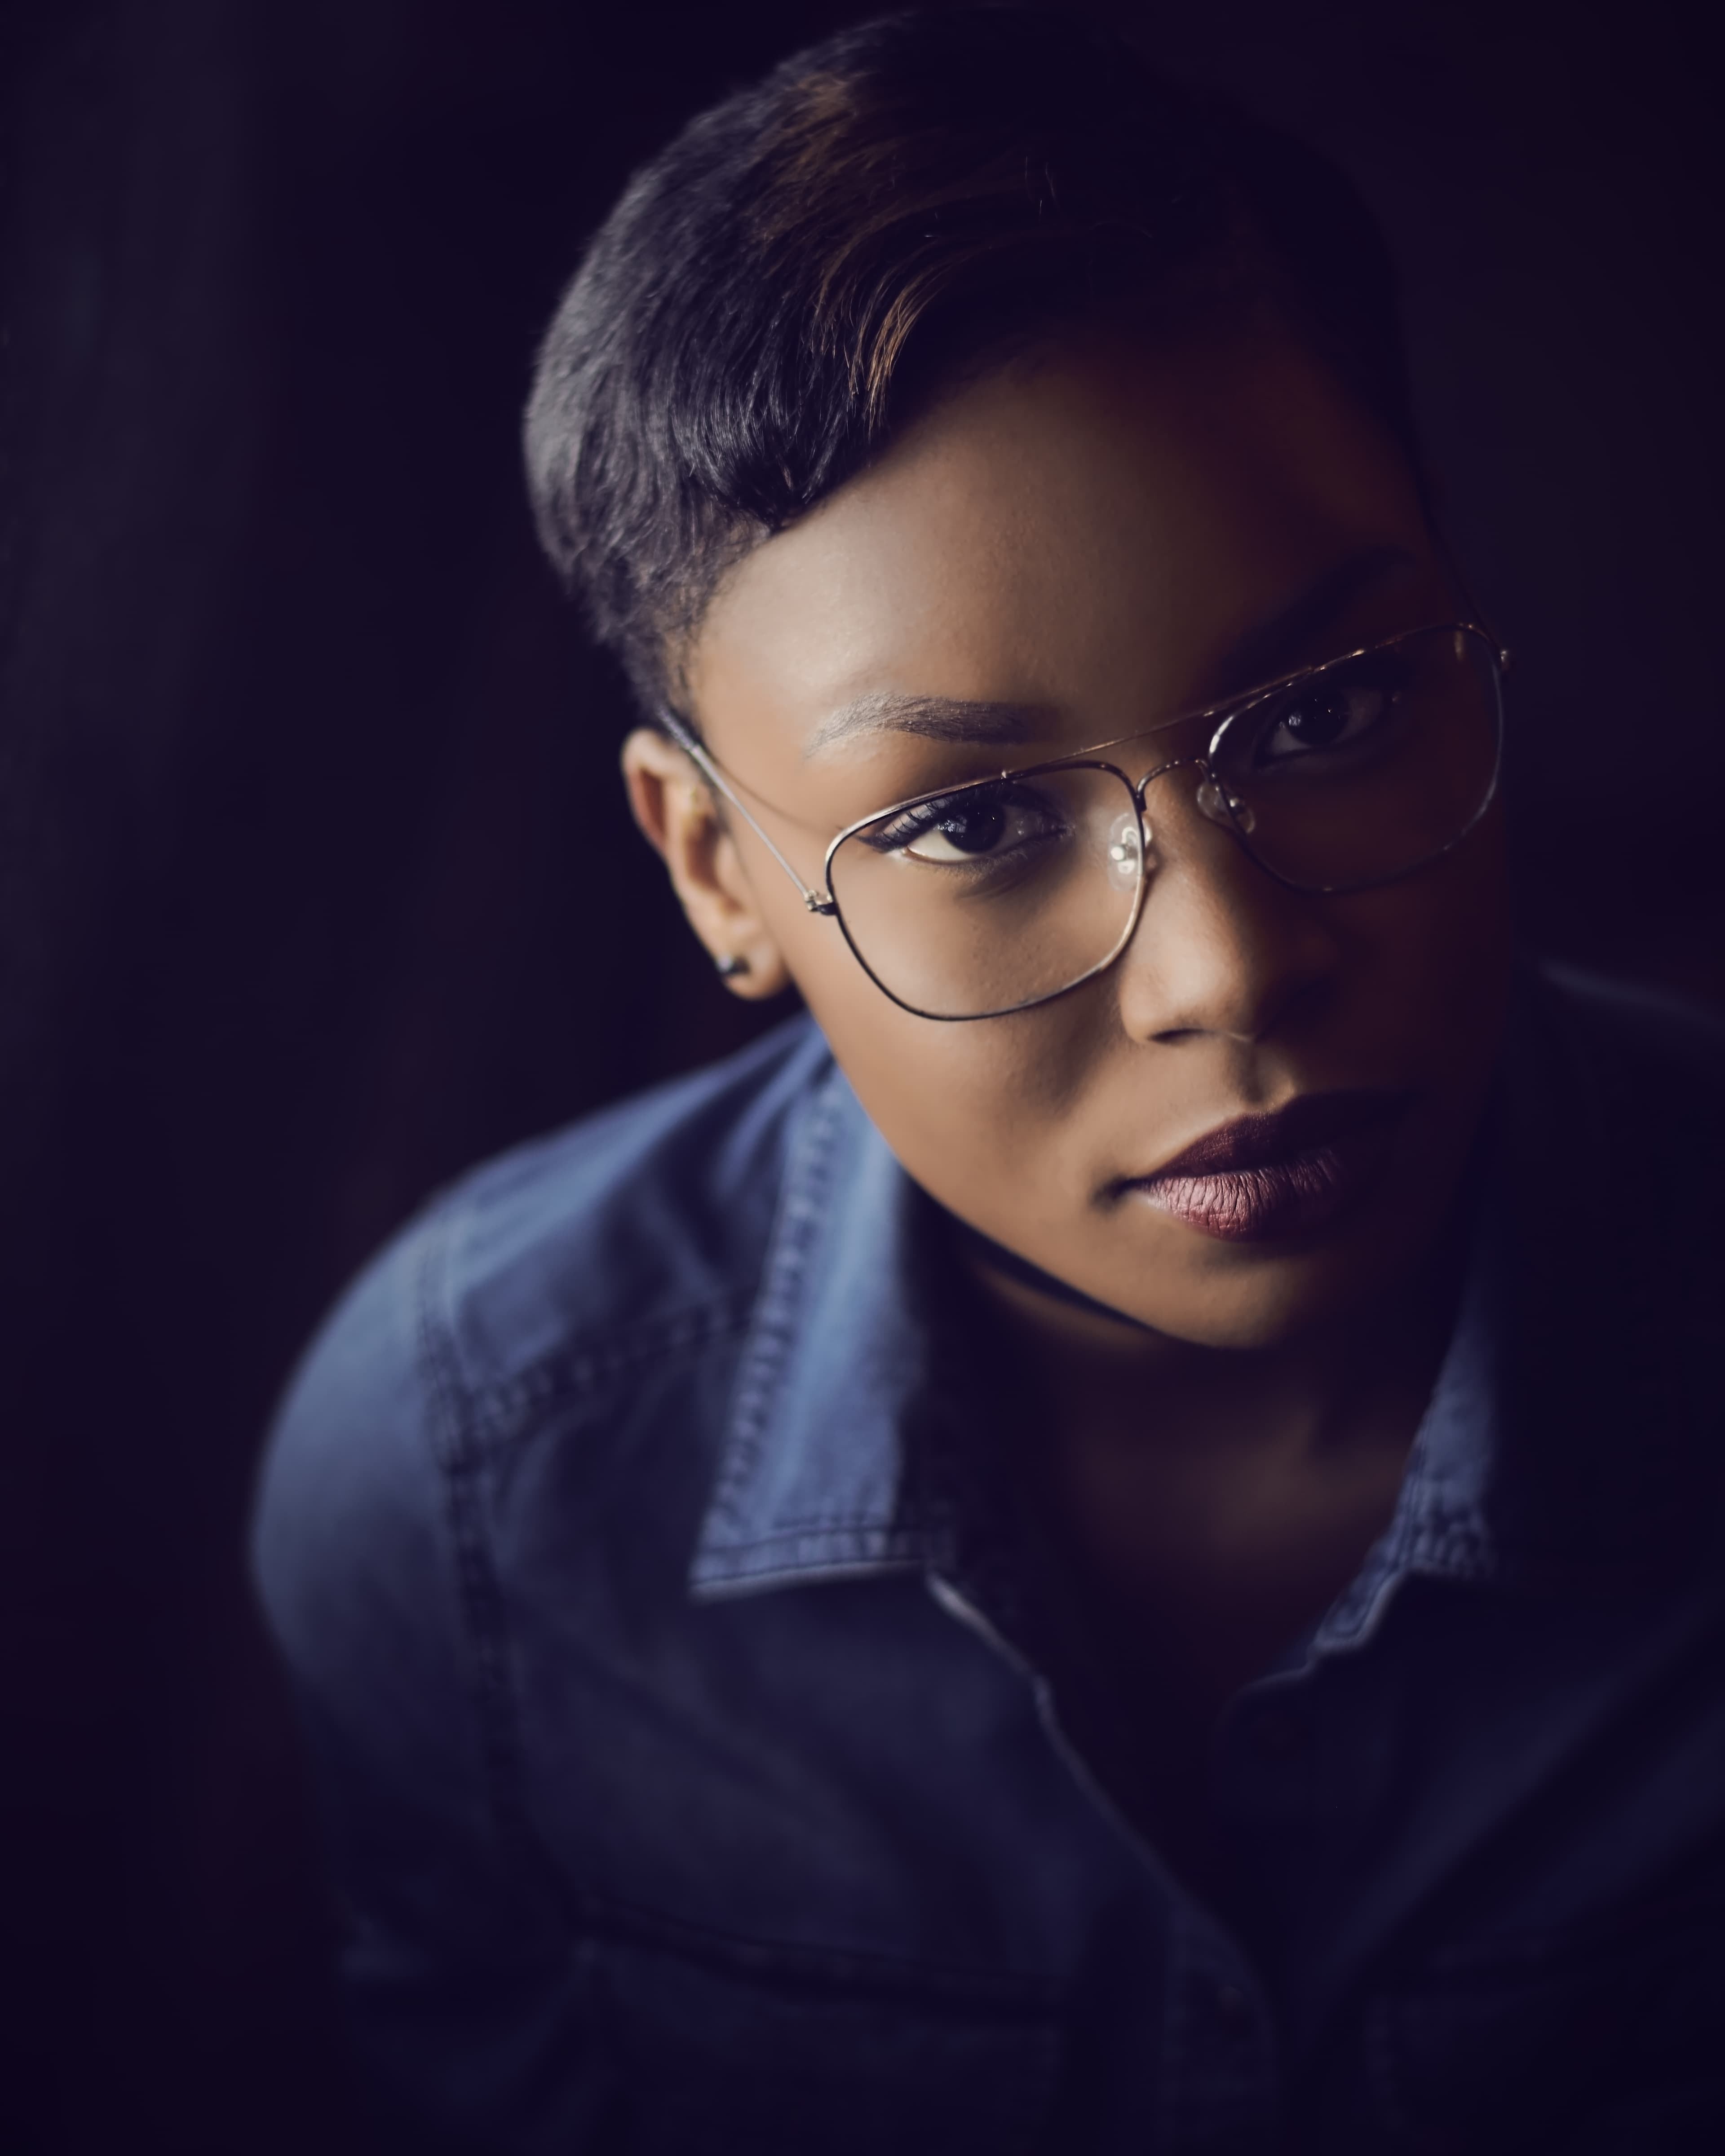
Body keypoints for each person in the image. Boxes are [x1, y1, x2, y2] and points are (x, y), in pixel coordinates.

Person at [251, 10, 1725, 2151]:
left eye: (1324, 713)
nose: (1227, 972)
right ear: (718, 870)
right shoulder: (469, 1487)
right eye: (965, 826)